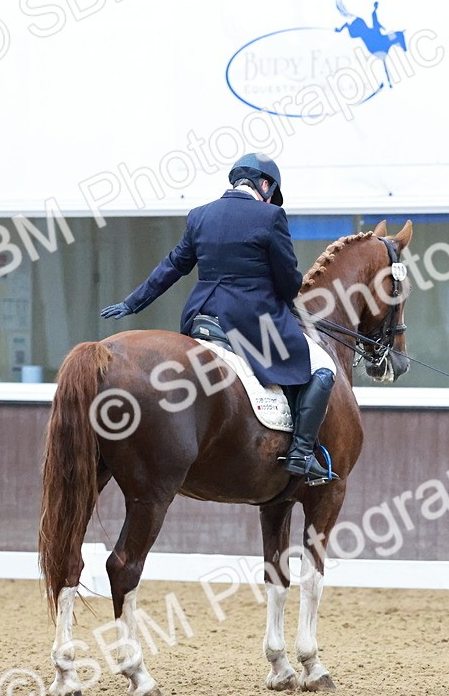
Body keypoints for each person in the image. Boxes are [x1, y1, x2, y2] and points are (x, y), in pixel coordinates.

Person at [99, 153, 336, 484]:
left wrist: (133, 302)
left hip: (201, 318)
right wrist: (287, 296)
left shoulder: (201, 215)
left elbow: (173, 266)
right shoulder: (271, 216)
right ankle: (301, 453)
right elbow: (287, 282)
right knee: (323, 368)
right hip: (250, 323)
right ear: (265, 185)